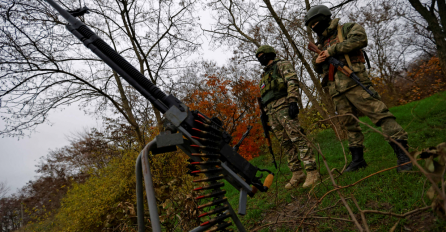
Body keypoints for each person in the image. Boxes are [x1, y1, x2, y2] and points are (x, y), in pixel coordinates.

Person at [304, 5, 412, 172]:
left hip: (355, 83)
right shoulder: (321, 43)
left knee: (379, 114)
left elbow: (360, 39)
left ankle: (403, 155)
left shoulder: (347, 28)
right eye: (311, 25)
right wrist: (316, 62)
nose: (314, 27)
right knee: (349, 125)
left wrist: (331, 50)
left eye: (316, 23)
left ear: (325, 18)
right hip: (336, 90)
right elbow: (320, 69)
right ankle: (358, 160)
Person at [256, 45, 320, 189]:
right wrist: (266, 116)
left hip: (284, 106)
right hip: (271, 112)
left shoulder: (281, 65)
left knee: (297, 137)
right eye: (258, 57)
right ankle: (297, 173)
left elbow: (292, 81)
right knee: (285, 143)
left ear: (269, 54)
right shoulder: (263, 76)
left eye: (262, 55)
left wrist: (293, 101)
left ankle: (312, 171)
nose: (260, 59)